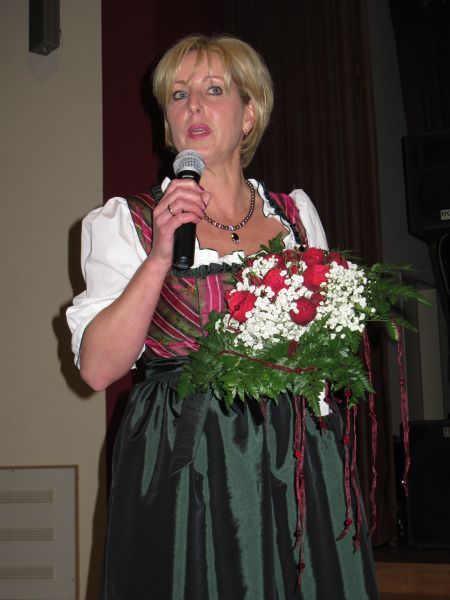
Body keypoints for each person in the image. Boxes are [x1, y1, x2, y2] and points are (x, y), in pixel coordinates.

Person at [67, 34, 379, 599]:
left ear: (249, 114)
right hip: (187, 458)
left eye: (213, 90)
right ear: (168, 122)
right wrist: (160, 256)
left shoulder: (295, 217)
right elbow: (96, 369)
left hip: (297, 453)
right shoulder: (128, 221)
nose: (193, 105)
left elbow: (331, 349)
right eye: (178, 94)